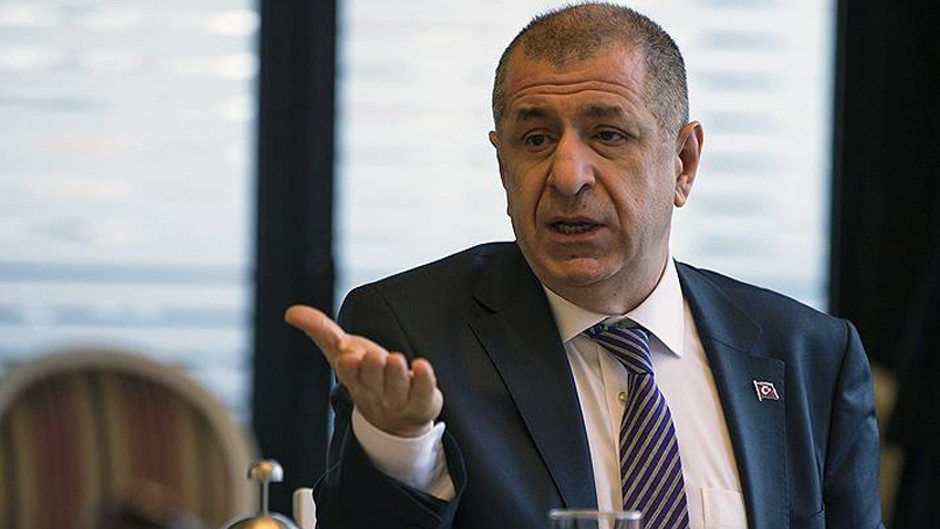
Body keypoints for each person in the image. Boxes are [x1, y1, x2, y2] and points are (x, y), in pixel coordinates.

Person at [285, 4, 884, 529]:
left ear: (683, 162)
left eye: (607, 135)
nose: (568, 176)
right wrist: (401, 447)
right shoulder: (414, 337)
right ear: (502, 165)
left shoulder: (809, 357)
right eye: (536, 139)